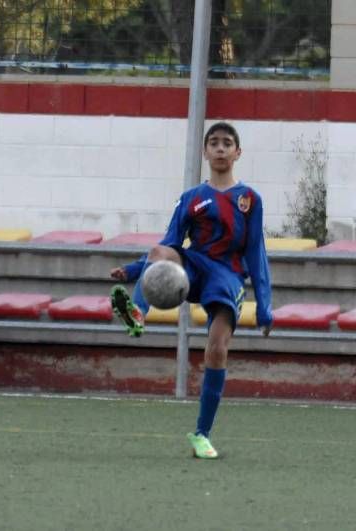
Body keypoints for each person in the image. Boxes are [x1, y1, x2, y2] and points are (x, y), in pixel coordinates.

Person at [109, 121, 273, 459]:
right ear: (205, 151)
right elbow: (169, 244)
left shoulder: (250, 199)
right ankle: (136, 315)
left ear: (238, 152)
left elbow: (256, 252)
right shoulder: (192, 198)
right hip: (195, 268)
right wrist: (132, 270)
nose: (220, 148)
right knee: (159, 252)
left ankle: (202, 434)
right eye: (214, 142)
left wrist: (265, 307)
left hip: (227, 276)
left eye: (227, 143)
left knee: (216, 347)